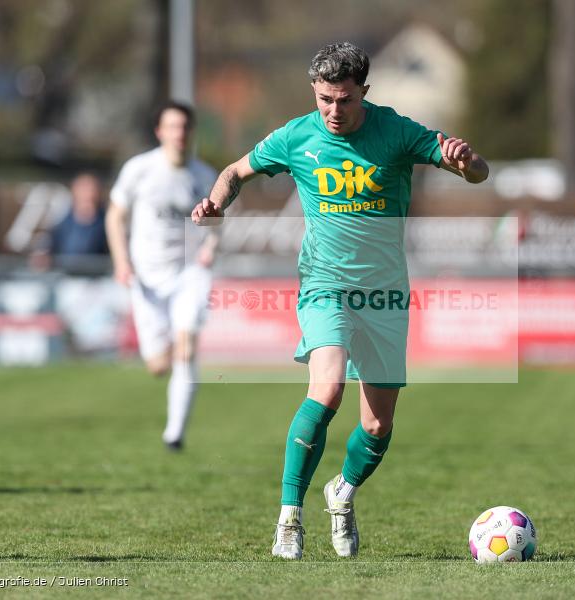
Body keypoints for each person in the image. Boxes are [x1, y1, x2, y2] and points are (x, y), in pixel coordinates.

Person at [192, 42, 488, 560]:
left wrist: (467, 162)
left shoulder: (396, 130)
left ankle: (342, 493)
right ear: (314, 91)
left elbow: (477, 172)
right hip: (324, 284)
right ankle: (289, 517)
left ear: (364, 94)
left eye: (344, 100)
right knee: (326, 390)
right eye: (325, 98)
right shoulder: (295, 135)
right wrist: (215, 203)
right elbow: (234, 172)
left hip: (386, 292)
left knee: (377, 425)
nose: (333, 110)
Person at [106, 100, 219, 450]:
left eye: (184, 127)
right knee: (158, 365)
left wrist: (210, 247)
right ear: (160, 132)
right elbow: (115, 217)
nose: (179, 134)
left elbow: (217, 222)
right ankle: (169, 346)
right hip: (147, 276)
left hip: (189, 273)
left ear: (191, 132)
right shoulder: (139, 169)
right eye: (172, 127)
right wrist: (122, 261)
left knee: (187, 350)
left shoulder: (204, 176)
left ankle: (175, 434)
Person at [50, 173, 109, 257]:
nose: (88, 193)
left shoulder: (106, 223)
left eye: (91, 189)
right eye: (83, 189)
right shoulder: (62, 224)